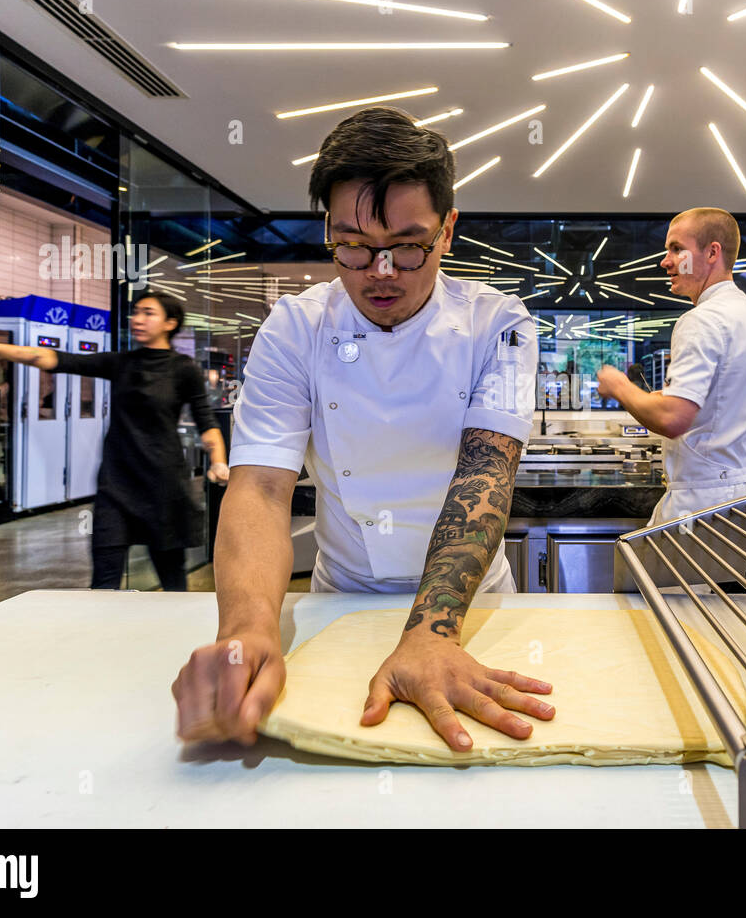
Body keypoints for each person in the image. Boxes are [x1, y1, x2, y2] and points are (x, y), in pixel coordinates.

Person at [170, 106, 553, 754]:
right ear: (329, 230)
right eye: (353, 244)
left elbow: (484, 477)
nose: (380, 270)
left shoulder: (498, 324)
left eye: (407, 245)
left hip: (472, 611)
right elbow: (260, 488)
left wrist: (432, 633)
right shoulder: (295, 329)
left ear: (447, 230)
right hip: (343, 600)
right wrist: (249, 630)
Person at [0, 292, 229, 591]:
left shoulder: (183, 369)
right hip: (117, 486)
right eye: (136, 312)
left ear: (170, 323)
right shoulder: (121, 363)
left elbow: (206, 421)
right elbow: (53, 358)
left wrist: (218, 461)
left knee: (172, 582)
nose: (137, 319)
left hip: (164, 485)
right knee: (104, 582)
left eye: (148, 313)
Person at [596, 207, 746, 526]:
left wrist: (619, 386)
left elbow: (672, 419)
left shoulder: (701, 320)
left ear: (712, 252)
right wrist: (661, 397)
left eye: (676, 249)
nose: (665, 261)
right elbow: (725, 403)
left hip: (708, 504)